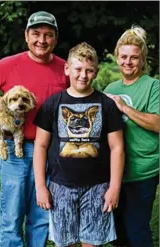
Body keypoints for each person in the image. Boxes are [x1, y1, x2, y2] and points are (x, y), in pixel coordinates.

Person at [0, 11, 68, 247]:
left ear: (55, 39)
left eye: (48, 35)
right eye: (36, 34)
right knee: (12, 213)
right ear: (26, 36)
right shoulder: (8, 64)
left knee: (41, 212)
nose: (42, 40)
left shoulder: (65, 68)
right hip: (14, 148)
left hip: (50, 150)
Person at [33, 42, 125, 247]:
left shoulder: (106, 105)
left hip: (98, 186)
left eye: (89, 70)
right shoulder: (52, 103)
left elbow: (117, 147)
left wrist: (114, 187)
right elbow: (40, 146)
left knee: (91, 242)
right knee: (65, 242)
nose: (83, 75)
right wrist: (40, 186)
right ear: (67, 69)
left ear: (96, 72)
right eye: (78, 69)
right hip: (60, 186)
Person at [104, 25, 159, 247]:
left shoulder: (153, 86)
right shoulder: (110, 87)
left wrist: (124, 108)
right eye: (124, 56)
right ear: (117, 57)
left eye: (134, 57)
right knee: (116, 232)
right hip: (115, 171)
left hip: (142, 170)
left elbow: (157, 123)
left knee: (136, 229)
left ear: (142, 59)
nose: (128, 62)